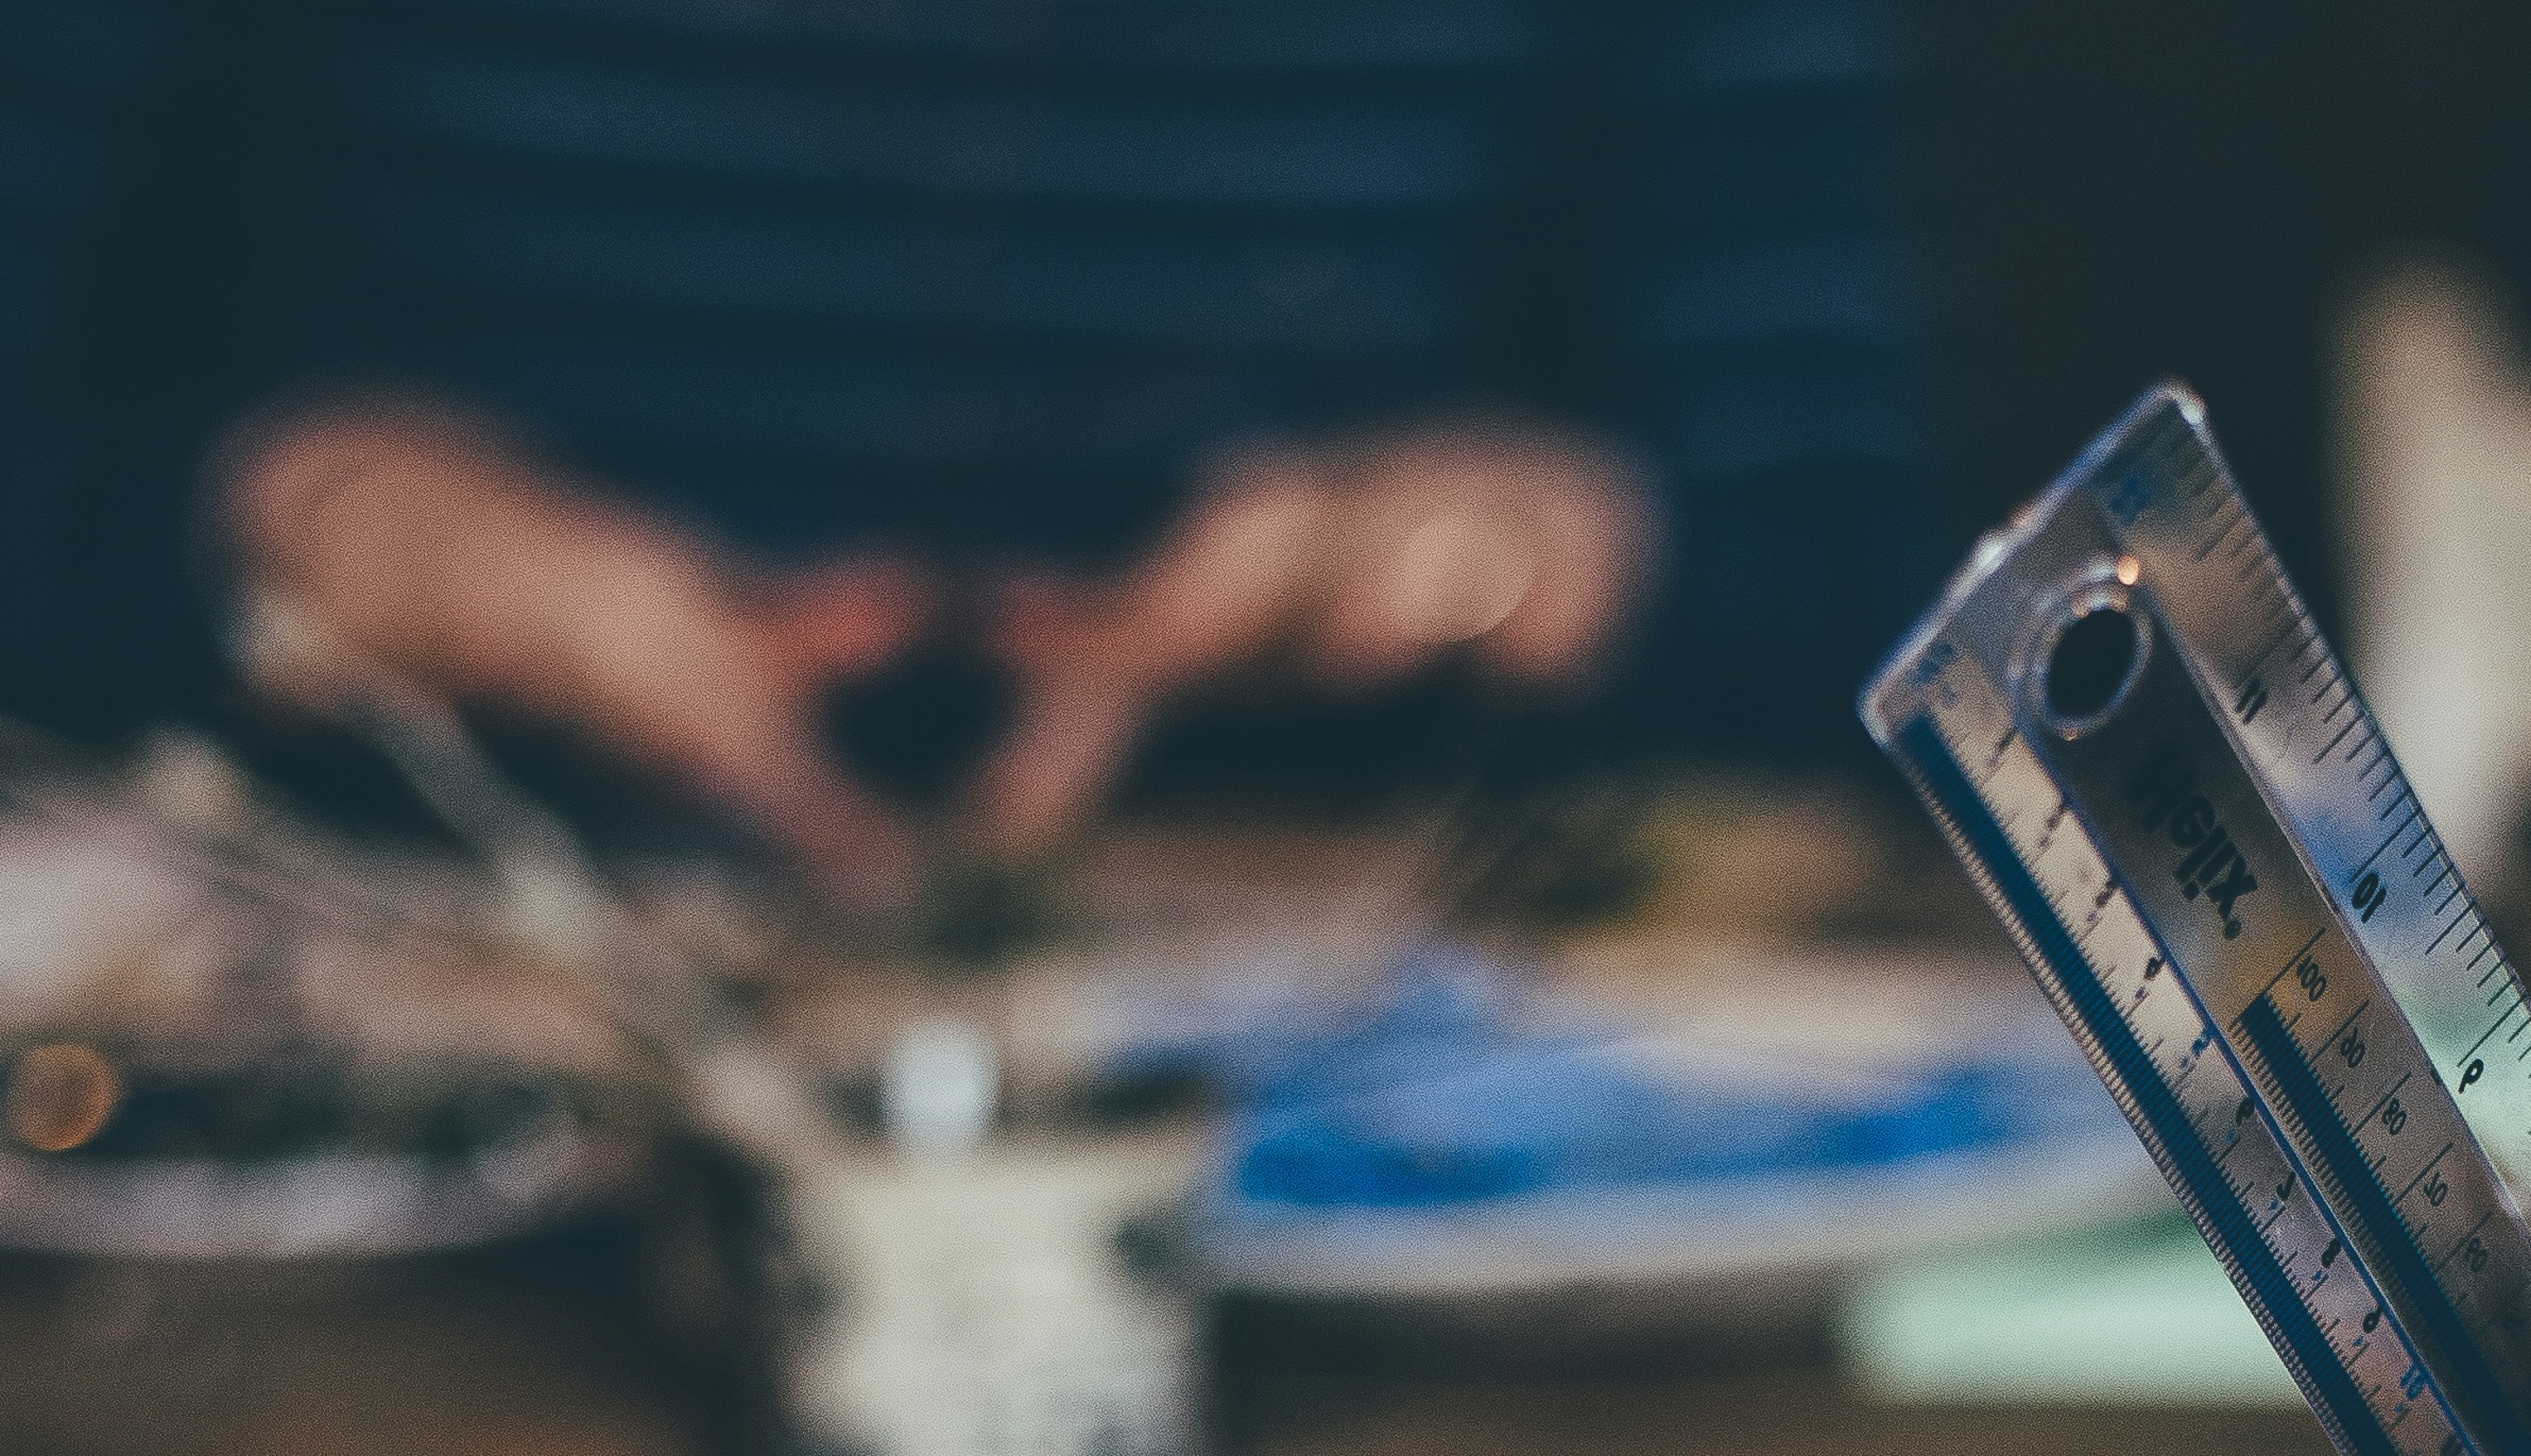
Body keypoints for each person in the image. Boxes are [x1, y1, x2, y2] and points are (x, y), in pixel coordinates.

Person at [0, 1, 1930, 888]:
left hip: (1383, 1175)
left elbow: (1876, 597)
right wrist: (274, 530)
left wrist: (1522, 553)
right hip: (401, 1099)